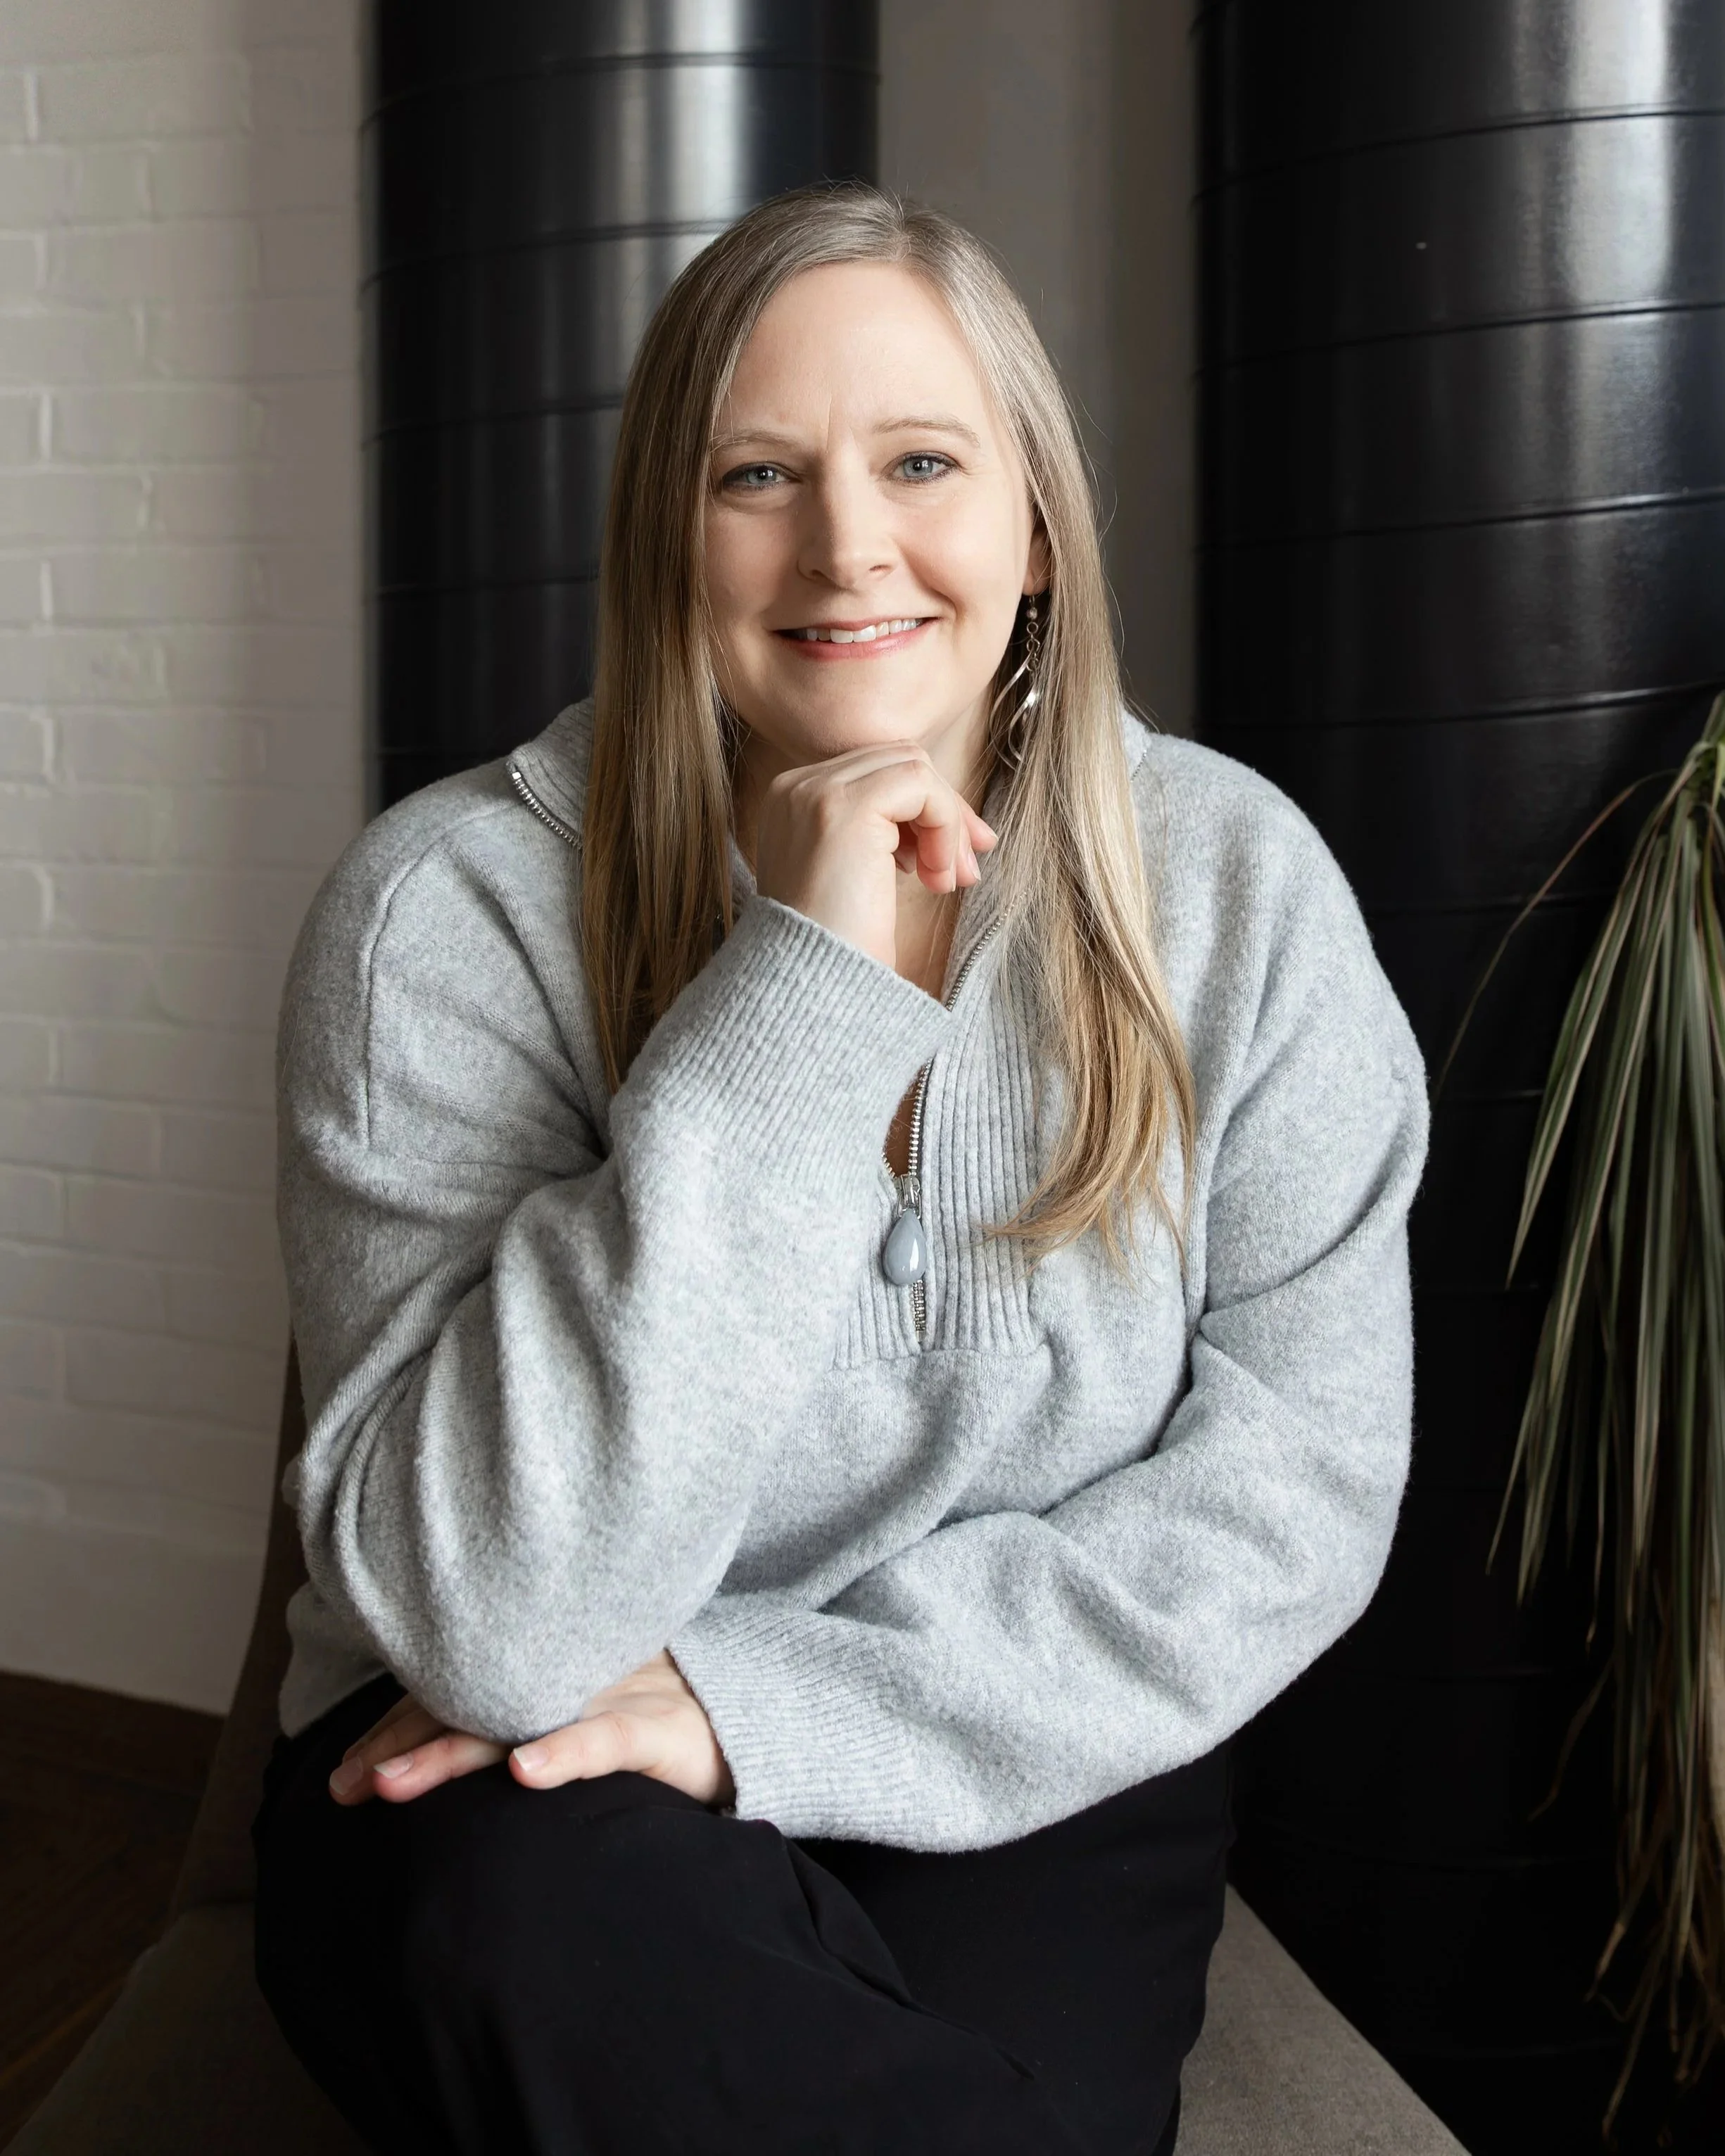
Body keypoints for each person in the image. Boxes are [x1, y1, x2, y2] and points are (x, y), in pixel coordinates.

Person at [251, 184, 1429, 2156]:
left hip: (1009, 1742)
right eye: (757, 473)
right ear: (665, 539)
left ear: (1037, 528)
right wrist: (800, 998)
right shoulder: (442, 917)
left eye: (920, 461)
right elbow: (496, 1626)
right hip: (511, 1780)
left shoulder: (1236, 892)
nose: (846, 544)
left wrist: (751, 1705)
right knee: (531, 1930)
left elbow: (1297, 1486)